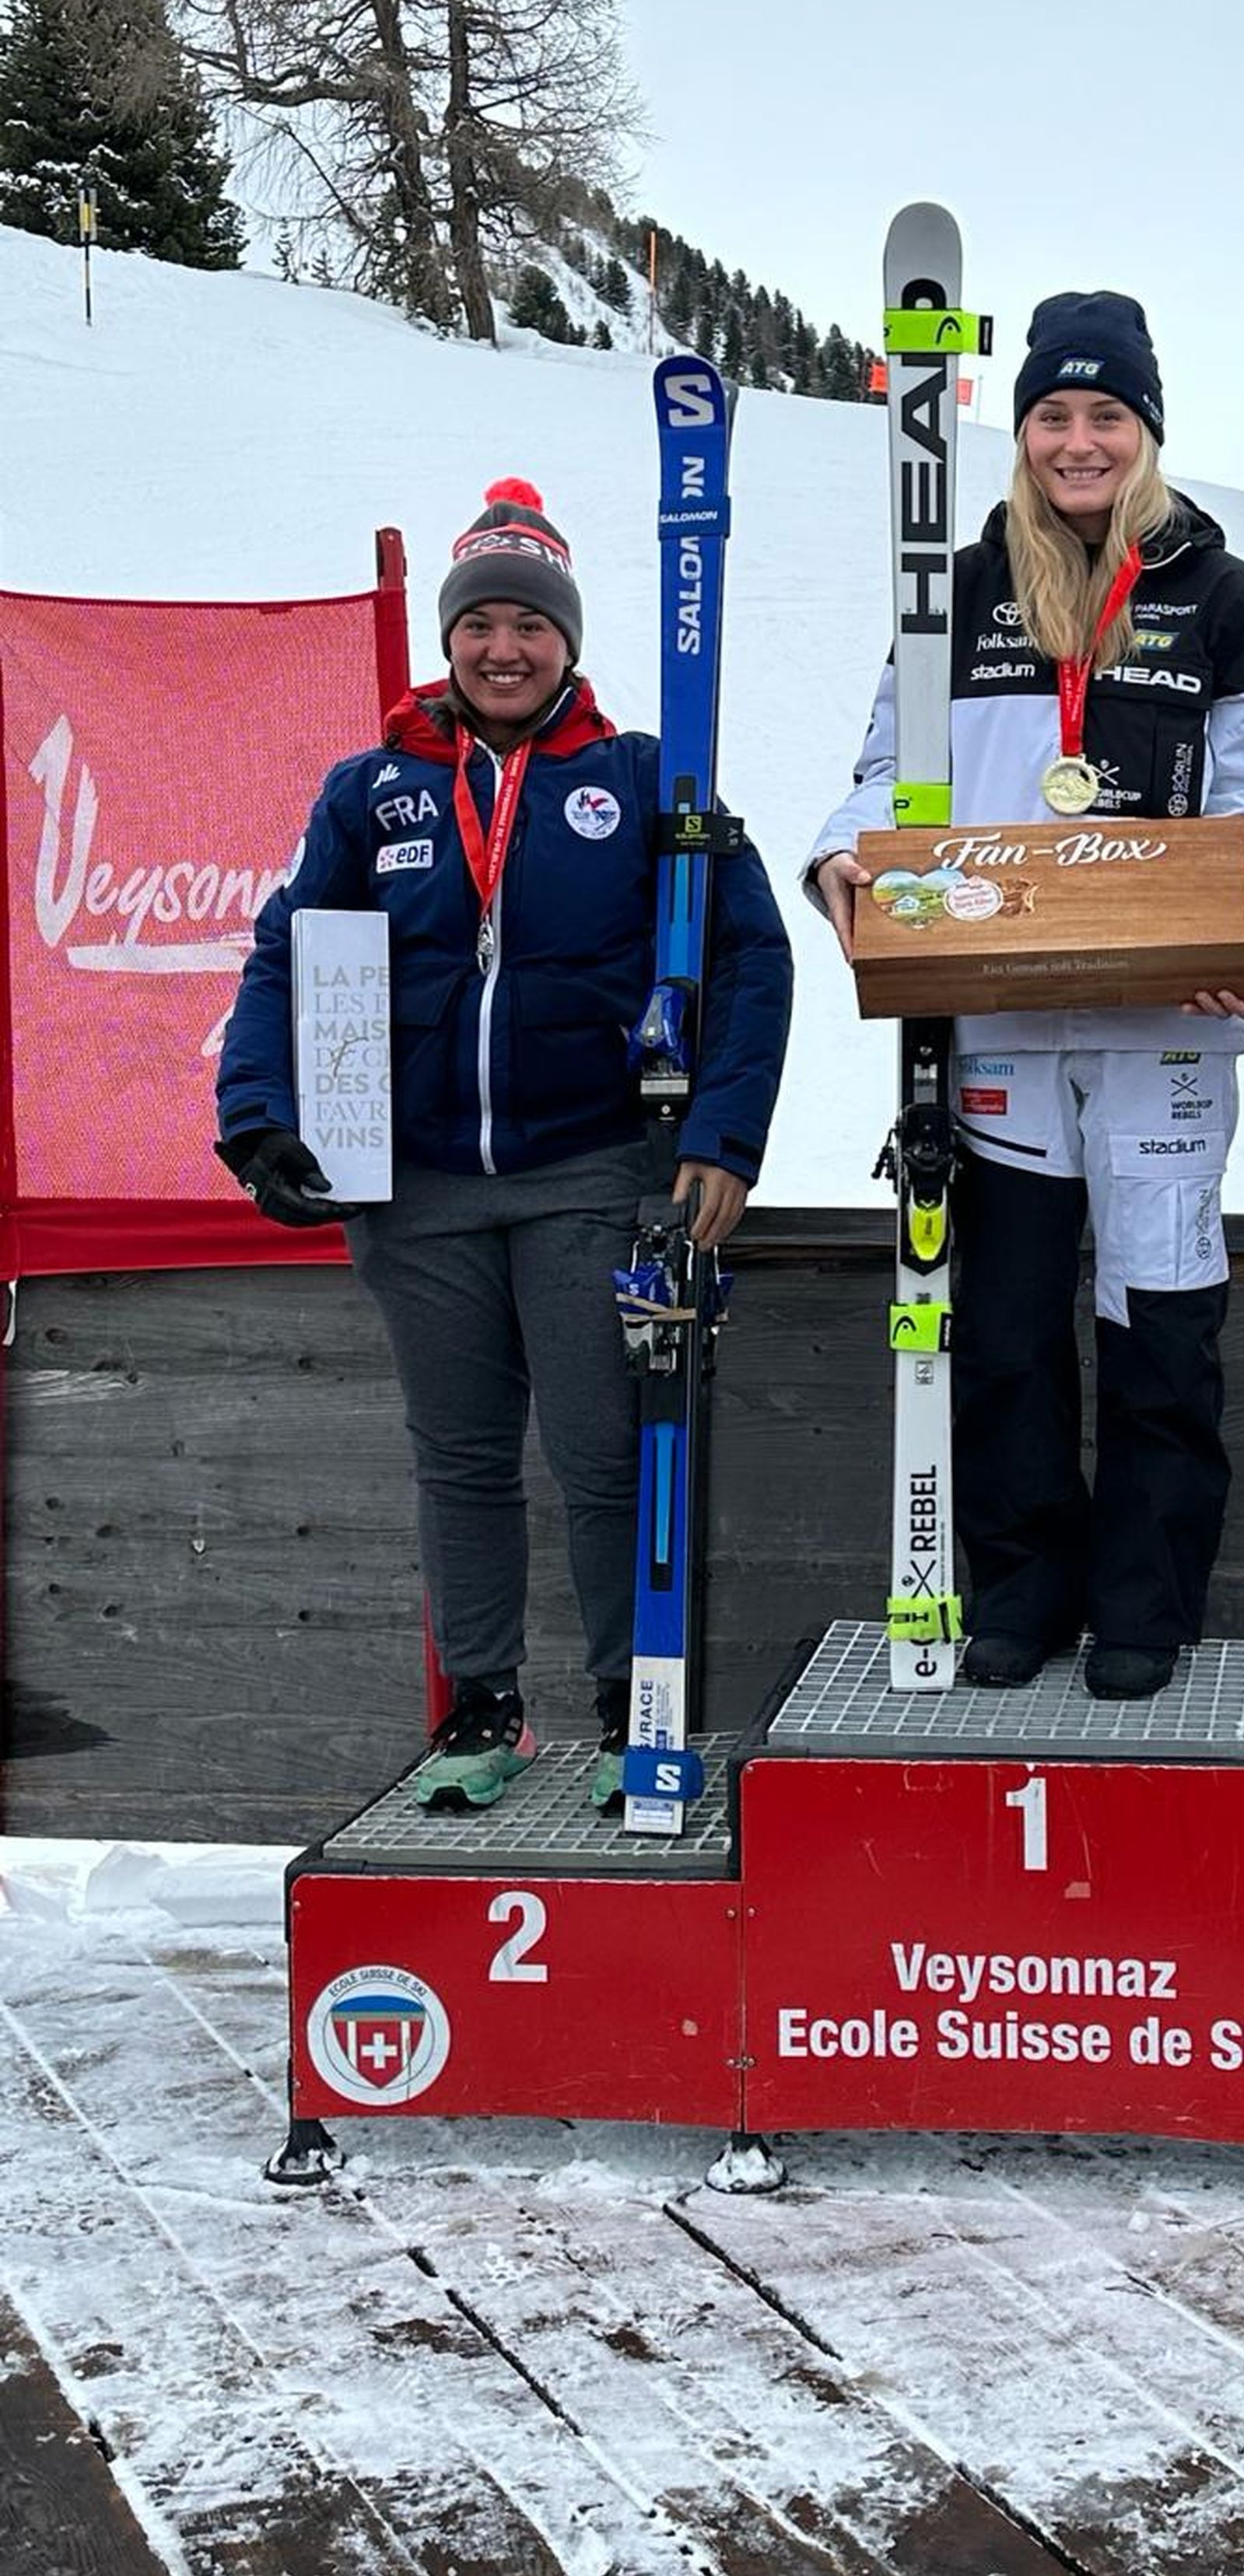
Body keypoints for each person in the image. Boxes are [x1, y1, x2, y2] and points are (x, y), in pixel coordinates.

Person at [216, 478, 794, 1811]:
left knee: (603, 1456)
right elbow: (283, 958)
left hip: (590, 1173)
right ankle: (481, 1710)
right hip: (415, 1188)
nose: (504, 649)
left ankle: (625, 1709)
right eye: (480, 624)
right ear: (451, 637)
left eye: (531, 624)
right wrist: (259, 1122)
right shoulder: (371, 792)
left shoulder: (644, 774)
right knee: (460, 1458)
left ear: (567, 640)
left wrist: (725, 1134)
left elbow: (751, 960)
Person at [810, 294, 1244, 1702]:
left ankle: (1145, 1605)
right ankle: (1020, 1589)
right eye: (1053, 418)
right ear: (1018, 434)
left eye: (1108, 417)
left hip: (1168, 1026)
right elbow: (881, 768)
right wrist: (847, 859)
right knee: (1010, 1333)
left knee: (1160, 1327)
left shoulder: (1224, 597)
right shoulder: (955, 591)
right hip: (1001, 1020)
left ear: (1148, 432)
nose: (1079, 442)